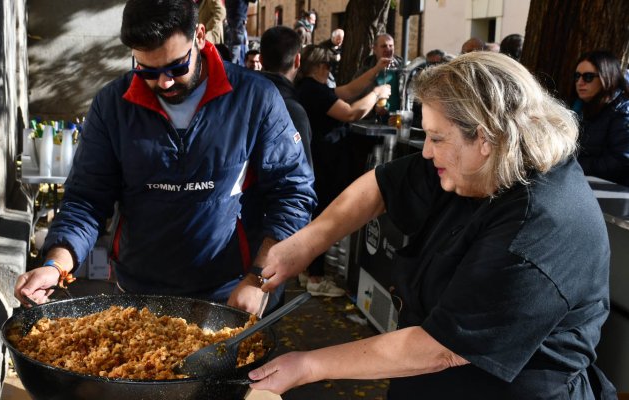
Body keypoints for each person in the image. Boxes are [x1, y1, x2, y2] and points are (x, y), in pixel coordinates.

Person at [249, 52, 616, 398]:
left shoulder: (539, 227)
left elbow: (442, 349)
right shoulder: (481, 158)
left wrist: (309, 364)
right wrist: (305, 245)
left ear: (486, 138)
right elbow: (382, 186)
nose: (426, 151)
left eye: (437, 138)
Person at [14, 0, 317, 316]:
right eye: (147, 70)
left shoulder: (254, 98)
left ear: (200, 36)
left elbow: (293, 194)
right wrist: (54, 265)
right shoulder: (112, 106)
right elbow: (87, 200)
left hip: (228, 294)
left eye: (176, 66)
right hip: (137, 294)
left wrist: (259, 279)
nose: (164, 82)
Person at [294, 45, 390, 297]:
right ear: (322, 67)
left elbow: (348, 91)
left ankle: (307, 271)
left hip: (319, 162)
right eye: (330, 67)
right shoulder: (313, 91)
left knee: (317, 216)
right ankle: (315, 277)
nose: (331, 72)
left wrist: (376, 70)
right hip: (325, 164)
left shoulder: (309, 89)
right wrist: (378, 92)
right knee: (323, 217)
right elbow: (352, 112)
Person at [572, 50, 629, 186]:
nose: (580, 82)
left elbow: (621, 159)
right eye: (577, 76)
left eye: (588, 77)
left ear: (606, 77)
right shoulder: (578, 108)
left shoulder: (622, 111)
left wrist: (575, 166)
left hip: (613, 192)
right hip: (585, 184)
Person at [259, 26, 312, 167]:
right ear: (297, 61)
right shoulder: (293, 111)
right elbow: (303, 170)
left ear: (260, 60)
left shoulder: (242, 98)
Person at [225, 0, 250, 65]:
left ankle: (232, 66)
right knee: (238, 45)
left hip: (232, 17)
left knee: (234, 45)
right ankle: (236, 67)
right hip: (238, 19)